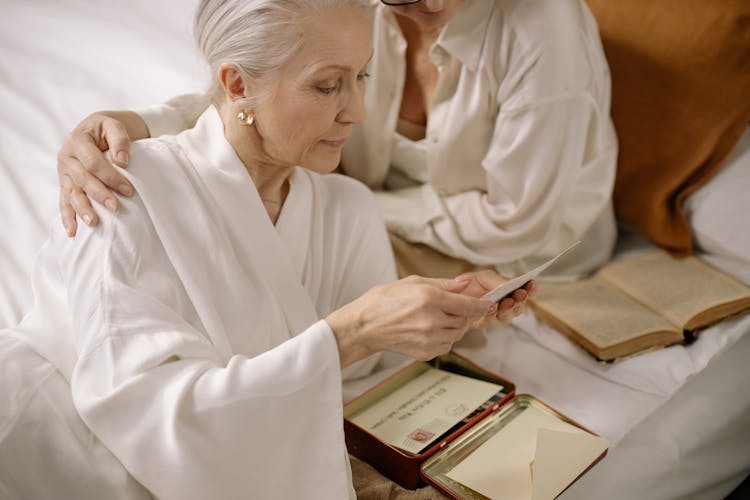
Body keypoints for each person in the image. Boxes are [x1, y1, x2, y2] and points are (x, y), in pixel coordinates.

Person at [0, 1, 533, 499]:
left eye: (363, 76)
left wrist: (448, 309)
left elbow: (371, 382)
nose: (358, 112)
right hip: (63, 448)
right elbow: (159, 426)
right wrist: (351, 333)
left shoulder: (347, 210)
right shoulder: (120, 196)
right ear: (237, 84)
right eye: (328, 86)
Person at [56, 0, 618, 281]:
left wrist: (352, 207)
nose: (434, 6)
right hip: (378, 204)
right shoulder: (354, 7)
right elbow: (264, 75)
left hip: (519, 253)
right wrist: (137, 124)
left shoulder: (547, 36)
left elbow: (513, 222)